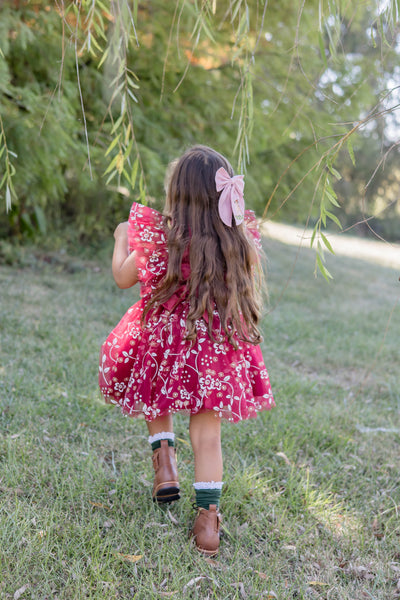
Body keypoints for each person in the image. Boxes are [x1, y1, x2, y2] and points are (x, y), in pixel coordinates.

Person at [99, 145, 275, 556]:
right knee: (208, 437)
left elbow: (123, 278)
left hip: (161, 341)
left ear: (176, 193)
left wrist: (122, 237)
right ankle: (208, 524)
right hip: (213, 350)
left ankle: (164, 464)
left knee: (151, 391)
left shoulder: (160, 234)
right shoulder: (235, 240)